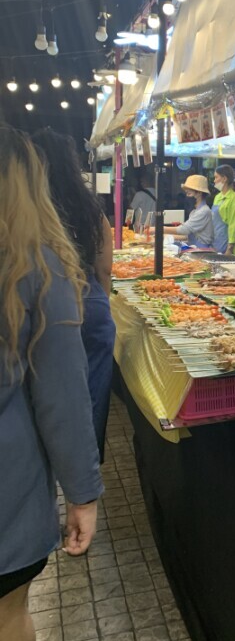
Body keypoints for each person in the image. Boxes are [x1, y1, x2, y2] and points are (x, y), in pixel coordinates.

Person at [0, 127, 103, 641]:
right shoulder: (34, 264)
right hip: (6, 496)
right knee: (6, 618)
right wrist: (82, 494)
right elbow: (61, 398)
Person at [32, 128, 116, 464]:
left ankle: (49, 458)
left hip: (45, 302)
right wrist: (100, 303)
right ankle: (87, 460)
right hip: (91, 300)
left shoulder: (30, 210)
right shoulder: (90, 209)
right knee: (93, 386)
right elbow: (105, 268)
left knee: (49, 386)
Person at [164, 174, 214, 248]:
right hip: (194, 247)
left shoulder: (204, 211)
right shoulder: (194, 211)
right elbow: (187, 236)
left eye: (189, 193)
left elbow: (185, 229)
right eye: (186, 193)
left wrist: (160, 229)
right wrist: (167, 236)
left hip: (201, 250)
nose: (187, 196)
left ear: (199, 193)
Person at [212, 164, 235, 254]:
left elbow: (234, 224)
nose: (214, 180)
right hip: (215, 242)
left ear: (224, 179)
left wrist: (230, 248)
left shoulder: (234, 198)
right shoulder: (217, 197)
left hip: (227, 244)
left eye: (216, 177)